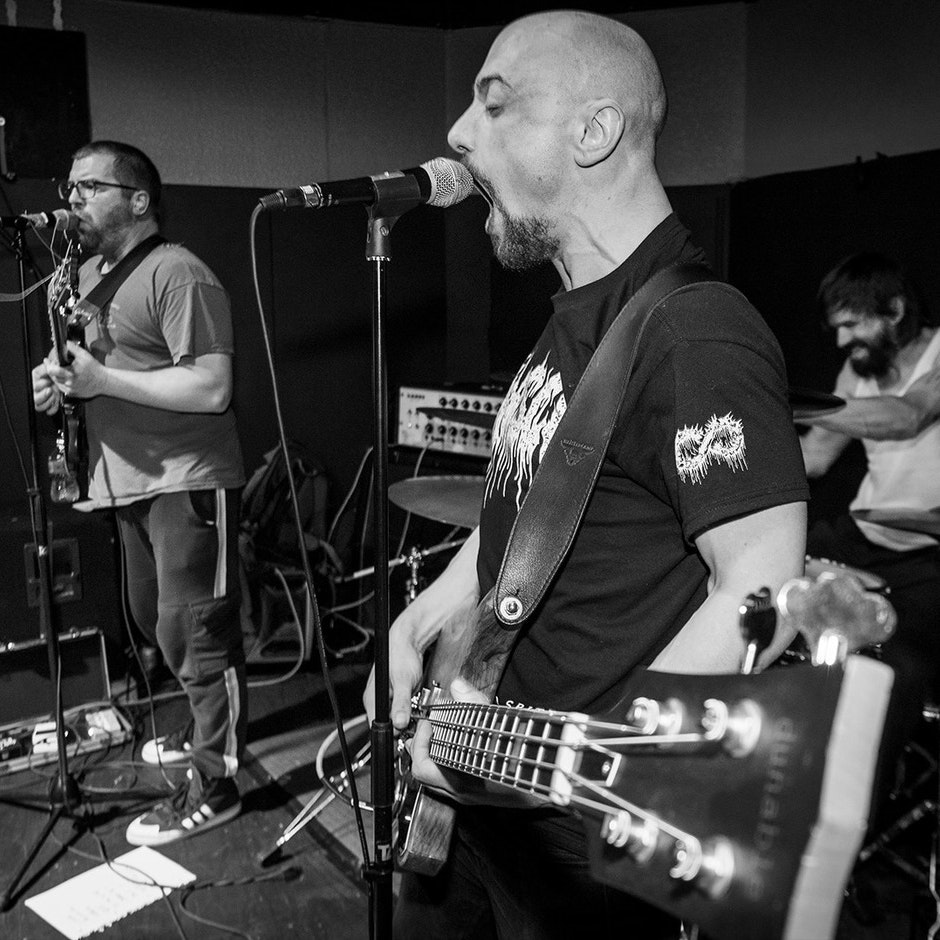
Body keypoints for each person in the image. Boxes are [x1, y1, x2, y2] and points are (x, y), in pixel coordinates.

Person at [364, 11, 809, 937]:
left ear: (594, 131)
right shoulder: (577, 313)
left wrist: (589, 767)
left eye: (494, 104)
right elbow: (519, 513)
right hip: (471, 788)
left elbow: (763, 584)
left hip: (574, 838)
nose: (457, 132)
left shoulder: (698, 331)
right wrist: (424, 617)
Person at [32, 140, 247, 845]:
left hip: (188, 479)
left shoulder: (177, 272)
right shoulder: (85, 276)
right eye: (69, 188)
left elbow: (212, 387)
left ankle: (217, 784)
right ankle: (201, 730)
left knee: (197, 634)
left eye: (89, 188)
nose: (73, 201)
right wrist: (56, 382)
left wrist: (102, 381)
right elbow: (84, 365)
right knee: (159, 625)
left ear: (137, 200)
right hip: (125, 485)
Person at [799, 251, 940, 786]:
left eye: (853, 325)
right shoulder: (858, 370)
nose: (842, 340)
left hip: (928, 553)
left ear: (895, 311)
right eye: (836, 328)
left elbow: (906, 417)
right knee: (765, 567)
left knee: (901, 664)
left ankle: (865, 795)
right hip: (862, 533)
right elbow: (816, 456)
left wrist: (789, 403)